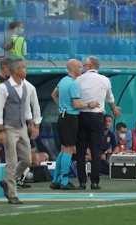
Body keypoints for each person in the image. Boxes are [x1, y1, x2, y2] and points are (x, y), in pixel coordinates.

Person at [0, 58, 41, 204]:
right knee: (11, 160)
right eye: (23, 68)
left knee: (27, 159)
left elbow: (26, 109)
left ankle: (8, 181)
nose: (25, 70)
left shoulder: (26, 87)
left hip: (21, 127)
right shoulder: (2, 88)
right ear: (15, 70)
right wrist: (0, 130)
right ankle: (12, 194)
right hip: (8, 128)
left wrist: (31, 123)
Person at [50, 59, 99, 190]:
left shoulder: (63, 80)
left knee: (64, 148)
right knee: (69, 149)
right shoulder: (73, 84)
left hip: (62, 116)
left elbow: (54, 94)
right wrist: (90, 104)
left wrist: (62, 107)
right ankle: (64, 180)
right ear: (73, 69)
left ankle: (56, 179)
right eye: (79, 67)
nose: (82, 69)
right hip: (70, 118)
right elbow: (76, 104)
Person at [76, 56, 121, 190]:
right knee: (96, 151)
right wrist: (114, 109)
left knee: (81, 151)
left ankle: (82, 182)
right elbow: (110, 98)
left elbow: (75, 99)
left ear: (89, 65)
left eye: (84, 65)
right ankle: (95, 181)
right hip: (97, 117)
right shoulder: (105, 80)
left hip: (82, 115)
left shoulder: (78, 79)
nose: (82, 67)